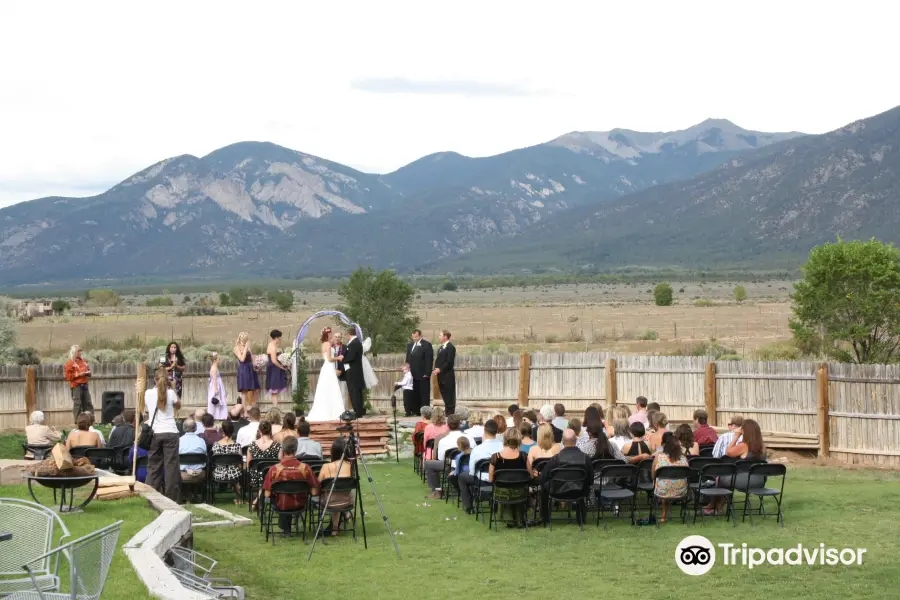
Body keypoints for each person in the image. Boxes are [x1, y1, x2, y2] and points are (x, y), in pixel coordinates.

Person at [263, 436, 320, 534]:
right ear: (296, 449)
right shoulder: (305, 468)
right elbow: (314, 491)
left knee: (278, 497)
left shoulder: (274, 469)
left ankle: (285, 528)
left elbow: (267, 494)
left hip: (280, 505)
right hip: (300, 505)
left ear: (283, 449)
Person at [539, 429, 593, 524]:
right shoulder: (586, 458)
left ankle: (545, 518)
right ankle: (581, 518)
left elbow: (543, 478)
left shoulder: (555, 459)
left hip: (557, 491)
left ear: (562, 441)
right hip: (579, 491)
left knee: (543, 486)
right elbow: (590, 480)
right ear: (576, 440)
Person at [146, 368, 182, 502]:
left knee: (154, 466)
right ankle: (172, 498)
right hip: (170, 432)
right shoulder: (171, 393)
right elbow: (179, 405)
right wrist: (172, 388)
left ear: (155, 380)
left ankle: (151, 497)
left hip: (155, 432)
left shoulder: (148, 393)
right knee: (171, 467)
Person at [458, 419, 502, 512]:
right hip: (500, 478)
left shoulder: (478, 449)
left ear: (485, 431)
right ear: (496, 431)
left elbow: (472, 471)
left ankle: (469, 506)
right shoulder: (503, 447)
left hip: (483, 480)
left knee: (462, 477)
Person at [489, 427, 529, 528]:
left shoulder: (495, 457)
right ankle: (519, 518)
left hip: (501, 494)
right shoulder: (523, 456)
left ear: (505, 439)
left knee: (505, 487)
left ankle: (509, 518)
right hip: (520, 494)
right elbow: (530, 475)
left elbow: (490, 479)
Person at [316, 438, 355, 536]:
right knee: (339, 492)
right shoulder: (351, 466)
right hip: (347, 501)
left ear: (333, 451)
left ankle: (334, 528)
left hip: (330, 501)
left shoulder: (326, 467)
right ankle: (343, 517)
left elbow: (318, 485)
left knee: (332, 494)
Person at [307, 327, 347, 422]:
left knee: (326, 389)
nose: (332, 335)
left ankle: (329, 410)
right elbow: (329, 359)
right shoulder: (328, 344)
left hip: (326, 368)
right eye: (331, 334)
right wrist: (338, 358)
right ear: (328, 335)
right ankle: (334, 412)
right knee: (332, 388)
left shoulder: (323, 344)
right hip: (329, 368)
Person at [426, 414, 468, 498]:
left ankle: (437, 491)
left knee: (428, 464)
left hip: (450, 465)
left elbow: (439, 458)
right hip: (465, 464)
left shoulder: (443, 440)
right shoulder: (468, 436)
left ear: (447, 425)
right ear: (459, 424)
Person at [652, 431, 689, 523]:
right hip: (681, 490)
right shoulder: (684, 458)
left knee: (663, 482)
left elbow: (653, 474)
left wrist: (654, 481)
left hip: (662, 490)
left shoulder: (659, 457)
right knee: (669, 482)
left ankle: (663, 516)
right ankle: (665, 514)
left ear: (664, 445)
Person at [247, 421, 282, 508]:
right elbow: (280, 464)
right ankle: (259, 498)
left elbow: (248, 464)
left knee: (263, 477)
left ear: (259, 431)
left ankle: (257, 499)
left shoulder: (252, 445)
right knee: (267, 476)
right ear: (270, 431)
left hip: (255, 477)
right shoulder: (277, 446)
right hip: (272, 477)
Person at [211, 420, 243, 503]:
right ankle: (239, 496)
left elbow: (214, 461)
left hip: (219, 473)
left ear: (222, 431)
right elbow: (240, 463)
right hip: (234, 474)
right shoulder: (237, 446)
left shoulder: (216, 445)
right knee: (237, 470)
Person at [406, 329, 434, 415]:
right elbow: (407, 359)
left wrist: (427, 373)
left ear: (420, 336)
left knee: (424, 393)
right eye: (413, 337)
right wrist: (407, 370)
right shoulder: (410, 345)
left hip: (423, 374)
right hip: (412, 374)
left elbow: (429, 360)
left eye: (416, 337)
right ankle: (416, 411)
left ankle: (425, 412)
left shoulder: (426, 345)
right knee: (415, 393)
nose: (414, 338)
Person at [178, 419, 207, 499]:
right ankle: (194, 493)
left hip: (183, 474)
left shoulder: (179, 441)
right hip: (200, 474)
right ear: (195, 428)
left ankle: (185, 494)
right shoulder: (201, 441)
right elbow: (205, 455)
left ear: (183, 428)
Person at [341, 326, 366, 417]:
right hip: (355, 371)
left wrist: (342, 359)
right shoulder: (355, 342)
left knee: (354, 391)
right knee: (355, 391)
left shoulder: (354, 343)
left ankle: (358, 411)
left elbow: (351, 357)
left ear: (349, 334)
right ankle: (358, 410)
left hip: (353, 372)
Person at [64, 345, 92, 423]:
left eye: (80, 351)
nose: (80, 353)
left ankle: (90, 420)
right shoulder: (69, 363)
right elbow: (68, 377)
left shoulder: (83, 361)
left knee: (88, 403)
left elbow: (88, 369)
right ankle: (78, 422)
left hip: (85, 385)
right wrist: (79, 375)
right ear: (74, 352)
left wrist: (88, 373)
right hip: (76, 386)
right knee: (77, 404)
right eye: (78, 351)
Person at [432, 330, 456, 415]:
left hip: (448, 375)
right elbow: (439, 360)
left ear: (445, 337)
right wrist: (435, 369)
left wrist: (440, 369)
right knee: (444, 393)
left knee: (449, 394)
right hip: (440, 375)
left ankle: (450, 413)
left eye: (440, 335)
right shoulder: (441, 347)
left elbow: (449, 362)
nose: (439, 337)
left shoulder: (450, 347)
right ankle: (447, 412)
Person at [234, 332, 260, 407]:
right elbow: (241, 359)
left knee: (256, 389)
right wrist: (245, 348)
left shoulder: (247, 347)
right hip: (243, 369)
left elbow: (252, 358)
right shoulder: (237, 348)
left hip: (251, 369)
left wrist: (258, 362)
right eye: (246, 339)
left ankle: (253, 408)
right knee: (244, 391)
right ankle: (244, 411)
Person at [265, 329, 289, 407]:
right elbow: (274, 361)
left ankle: (276, 408)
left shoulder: (271, 344)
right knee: (274, 391)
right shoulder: (273, 346)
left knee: (275, 391)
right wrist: (282, 367)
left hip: (273, 369)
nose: (280, 339)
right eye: (279, 338)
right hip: (274, 370)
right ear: (276, 338)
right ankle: (275, 409)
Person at [207, 352, 228, 420]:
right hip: (216, 385)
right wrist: (216, 389)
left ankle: (219, 415)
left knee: (220, 399)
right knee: (217, 400)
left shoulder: (215, 367)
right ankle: (216, 415)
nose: (220, 360)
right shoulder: (214, 368)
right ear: (215, 360)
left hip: (218, 384)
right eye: (219, 359)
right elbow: (215, 379)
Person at [332, 332, 349, 409]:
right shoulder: (330, 347)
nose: (337, 338)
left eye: (339, 337)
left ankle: (343, 411)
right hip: (332, 374)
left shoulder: (345, 347)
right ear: (333, 337)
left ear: (341, 338)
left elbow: (346, 361)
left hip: (343, 374)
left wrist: (341, 370)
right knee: (333, 394)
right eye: (336, 336)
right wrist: (333, 370)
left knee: (343, 394)